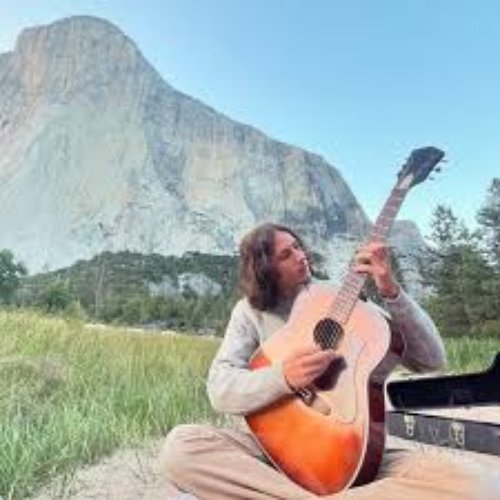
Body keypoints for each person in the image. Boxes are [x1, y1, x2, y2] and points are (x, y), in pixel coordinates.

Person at [160, 223, 500, 499]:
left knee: (482, 486)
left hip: (353, 454)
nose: (301, 255)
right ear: (264, 269)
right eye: (286, 254)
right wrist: (283, 377)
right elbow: (220, 389)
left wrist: (390, 290)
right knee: (181, 447)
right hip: (273, 450)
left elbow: (431, 360)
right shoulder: (248, 313)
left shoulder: (343, 297)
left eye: (299, 246)